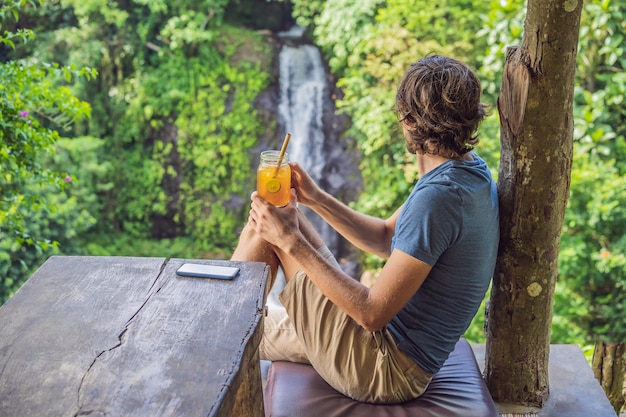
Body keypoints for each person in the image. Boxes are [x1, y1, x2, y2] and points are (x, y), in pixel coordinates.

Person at [231, 55, 499, 404]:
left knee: (274, 228)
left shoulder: (439, 198)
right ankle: (225, 324)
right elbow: (386, 237)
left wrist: (290, 242)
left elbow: (371, 314)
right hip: (390, 351)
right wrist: (316, 198)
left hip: (384, 369)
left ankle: (225, 317)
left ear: (407, 118)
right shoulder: (467, 171)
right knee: (245, 320)